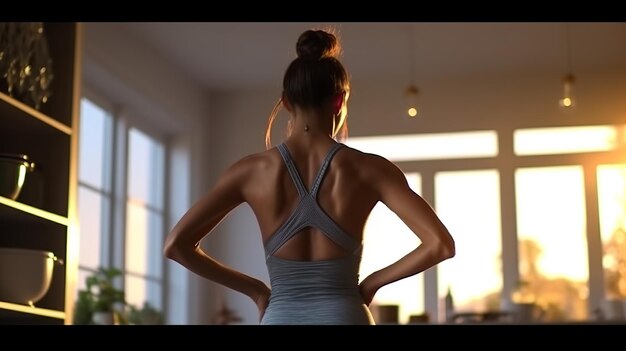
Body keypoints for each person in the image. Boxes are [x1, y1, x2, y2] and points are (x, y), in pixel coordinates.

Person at [164, 28, 455, 325]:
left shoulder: (250, 172)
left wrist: (256, 291)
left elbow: (176, 245)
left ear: (286, 102)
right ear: (339, 101)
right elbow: (440, 244)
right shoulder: (370, 169)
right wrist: (371, 284)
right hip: (346, 314)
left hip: (280, 315)